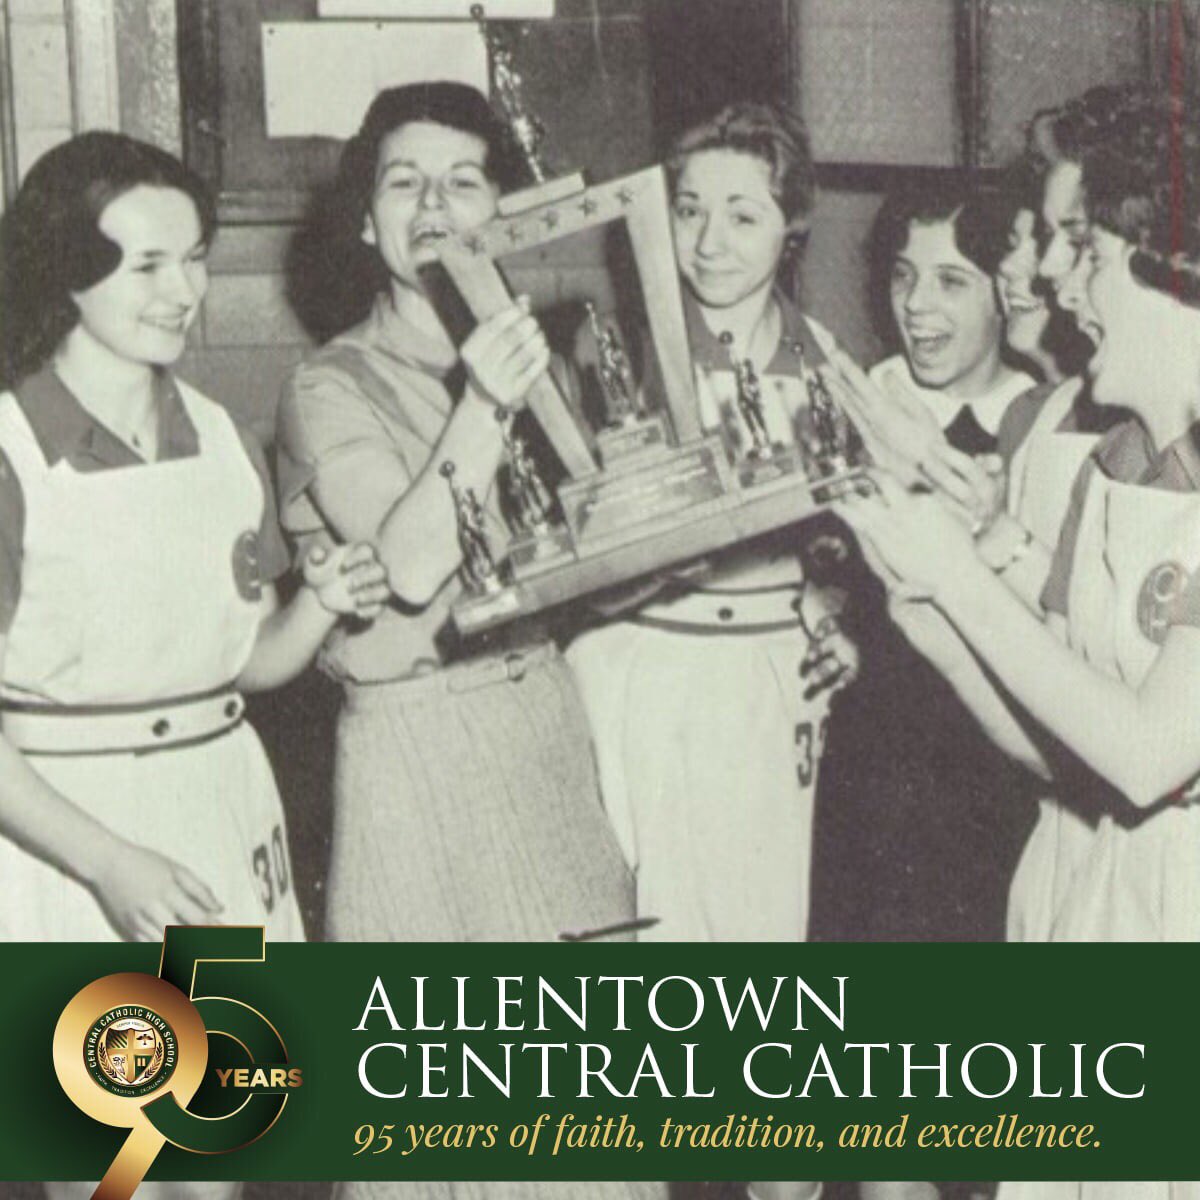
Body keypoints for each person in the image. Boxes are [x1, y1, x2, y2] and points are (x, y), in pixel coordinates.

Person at [0, 131, 388, 1200]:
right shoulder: (12, 449)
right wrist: (107, 862)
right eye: (147, 264)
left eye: (198, 255)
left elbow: (246, 665)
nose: (186, 290)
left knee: (217, 1164)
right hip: (71, 830)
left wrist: (321, 604)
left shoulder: (218, 435)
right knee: (113, 1173)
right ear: (66, 271)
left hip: (218, 812)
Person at [567, 102, 858, 955]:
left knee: (759, 929)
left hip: (769, 671)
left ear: (791, 226)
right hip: (644, 659)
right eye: (689, 210)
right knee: (637, 934)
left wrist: (833, 612)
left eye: (743, 215)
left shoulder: (823, 360)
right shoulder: (618, 360)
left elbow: (836, 548)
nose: (708, 242)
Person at [811, 180, 1040, 947]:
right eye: (904, 276)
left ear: (1006, 293)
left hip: (997, 766)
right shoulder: (864, 403)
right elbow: (828, 571)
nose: (916, 305)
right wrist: (828, 621)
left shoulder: (1045, 420)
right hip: (877, 757)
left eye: (951, 281)